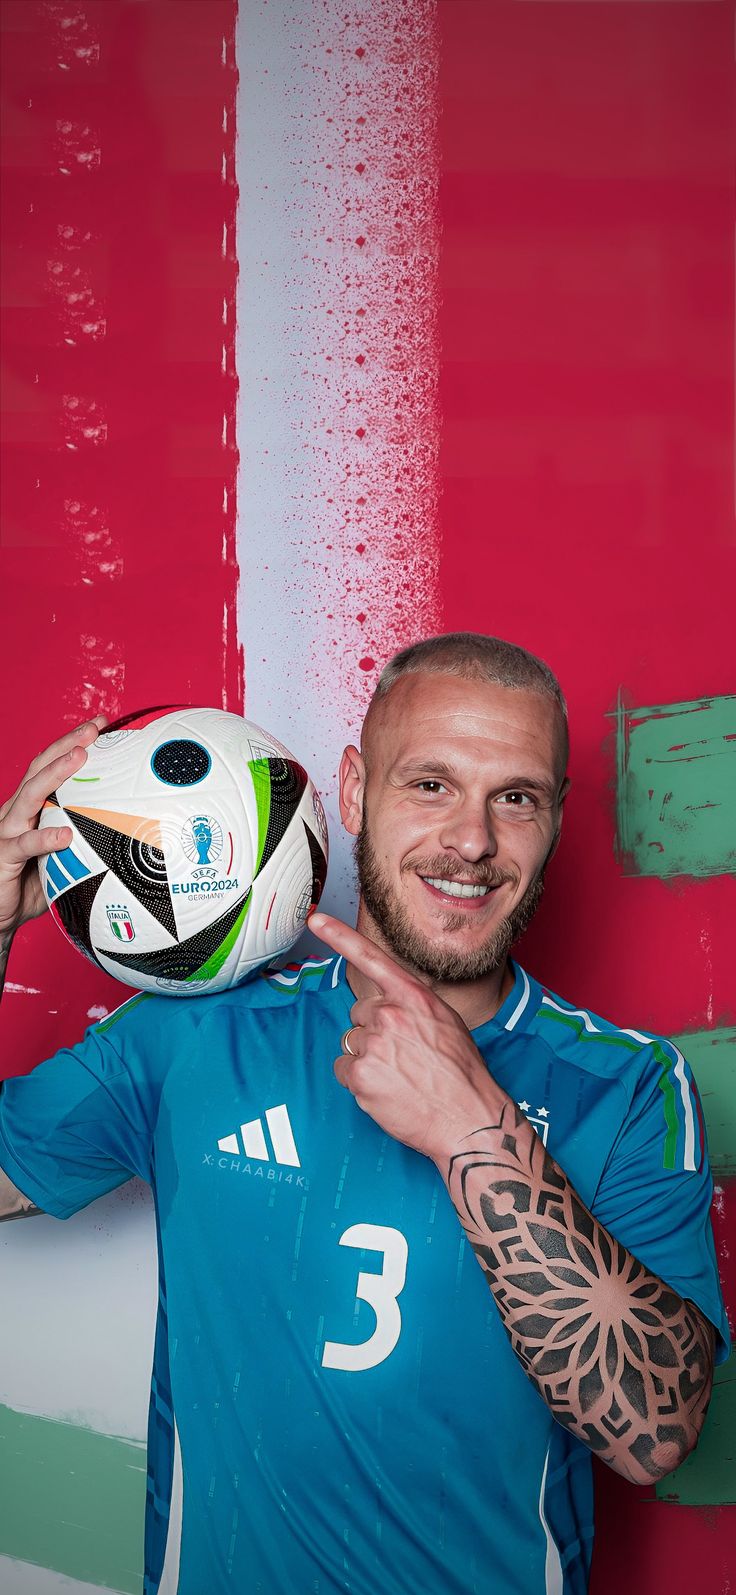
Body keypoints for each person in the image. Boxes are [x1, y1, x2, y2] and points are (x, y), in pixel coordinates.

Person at [0, 633, 729, 1595]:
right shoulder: (197, 1033)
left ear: (554, 819)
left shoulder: (629, 1085)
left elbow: (658, 1433)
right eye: (430, 783)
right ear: (351, 794)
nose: (472, 840)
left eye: (517, 796)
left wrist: (471, 1126)